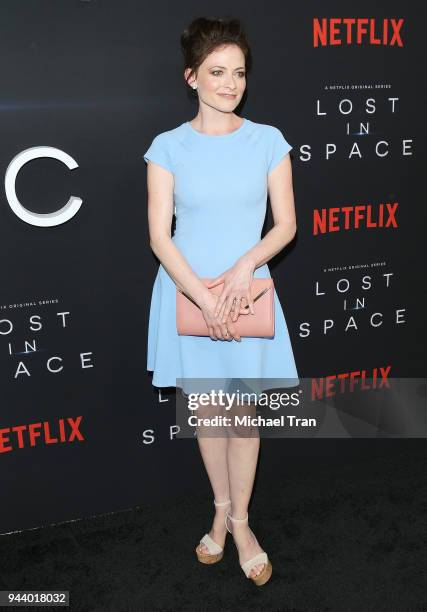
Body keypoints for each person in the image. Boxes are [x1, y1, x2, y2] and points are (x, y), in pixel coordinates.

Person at [143, 16, 299, 586]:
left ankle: (242, 523)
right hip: (189, 295)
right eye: (216, 72)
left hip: (246, 293)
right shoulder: (167, 147)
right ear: (192, 77)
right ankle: (220, 511)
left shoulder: (267, 140)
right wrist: (202, 298)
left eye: (238, 73)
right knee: (209, 414)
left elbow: (285, 225)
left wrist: (241, 268)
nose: (230, 83)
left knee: (244, 418)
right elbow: (160, 237)